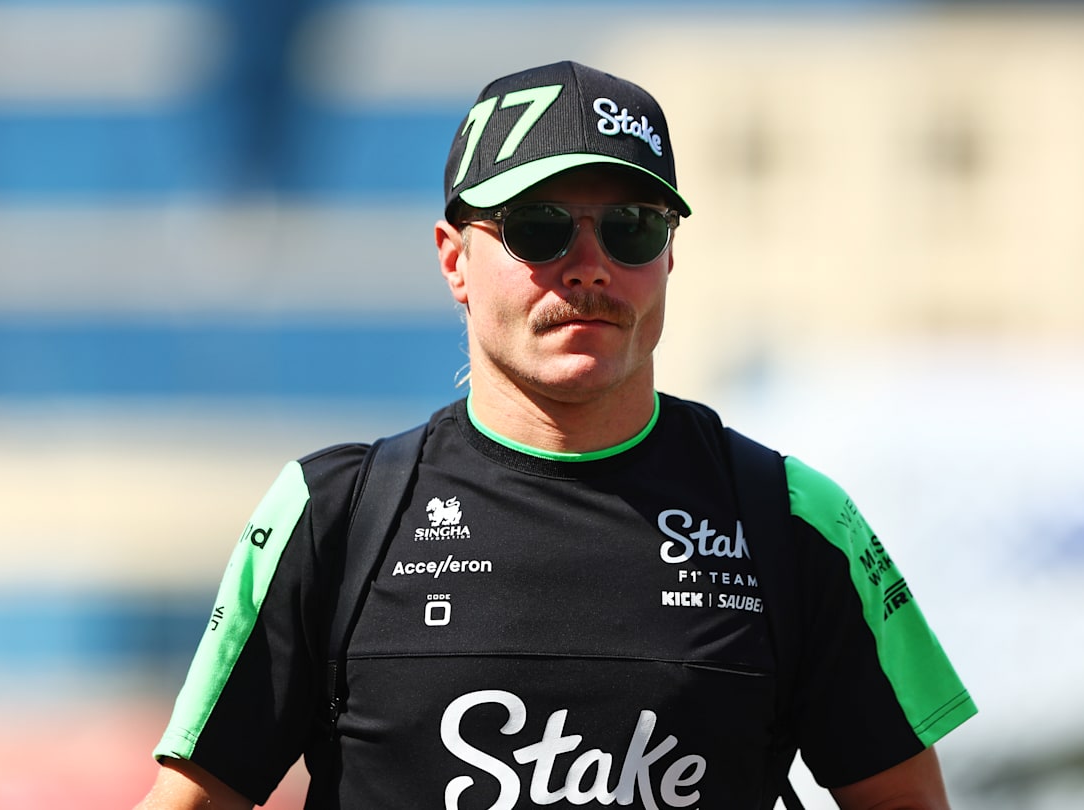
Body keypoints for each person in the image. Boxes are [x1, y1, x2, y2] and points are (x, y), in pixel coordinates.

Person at [137, 60, 977, 810]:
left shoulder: (797, 521)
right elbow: (194, 799)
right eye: (539, 228)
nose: (589, 265)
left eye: (632, 228)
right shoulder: (333, 516)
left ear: (671, 258)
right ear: (453, 258)